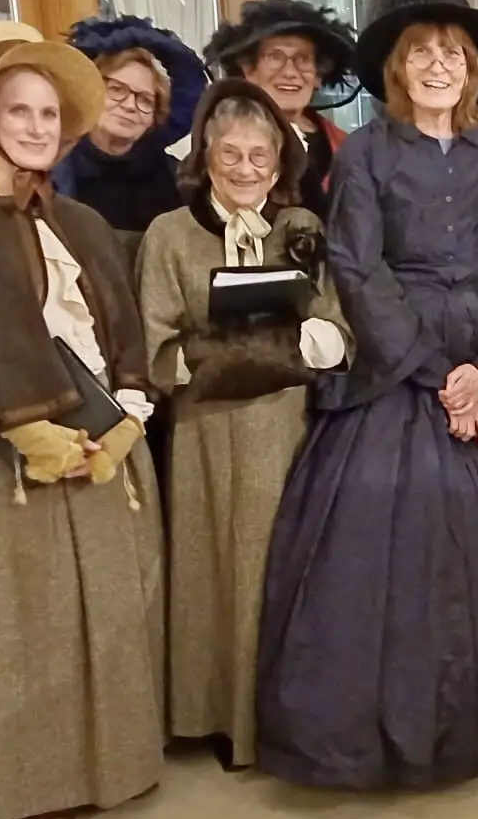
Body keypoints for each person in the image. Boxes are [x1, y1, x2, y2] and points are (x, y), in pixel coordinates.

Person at [254, 0, 478, 789]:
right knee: (383, 540)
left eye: (452, 54)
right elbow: (356, 265)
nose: (438, 66)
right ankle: (381, 734)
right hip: (392, 366)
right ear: (397, 70)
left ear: (472, 69)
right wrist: (438, 374)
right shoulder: (366, 153)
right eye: (421, 54)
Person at [0, 20, 165, 819]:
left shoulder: (82, 223)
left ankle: (118, 760)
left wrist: (123, 422)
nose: (36, 126)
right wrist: (33, 433)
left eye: (49, 113)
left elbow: (122, 333)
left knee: (113, 608)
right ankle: (39, 779)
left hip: (102, 444)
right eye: (19, 110)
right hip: (18, 456)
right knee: (37, 619)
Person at [136, 78, 349, 771]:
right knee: (208, 566)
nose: (246, 168)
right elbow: (154, 347)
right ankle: (210, 714)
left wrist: (278, 348)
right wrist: (233, 353)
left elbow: (335, 331)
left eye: (260, 154)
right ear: (205, 153)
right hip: (202, 430)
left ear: (279, 159)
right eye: (230, 153)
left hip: (284, 428)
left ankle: (273, 719)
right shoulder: (169, 235)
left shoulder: (301, 229)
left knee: (273, 566)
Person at [54, 15, 209, 259]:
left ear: (155, 116)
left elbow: (190, 79)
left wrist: (145, 38)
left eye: (145, 99)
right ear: (90, 92)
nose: (130, 106)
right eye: (117, 90)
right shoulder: (58, 167)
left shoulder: (174, 176)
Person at [203, 0, 357, 221]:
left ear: (318, 74)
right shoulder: (219, 138)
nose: (290, 72)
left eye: (303, 59)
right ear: (248, 68)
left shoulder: (345, 146)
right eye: (275, 57)